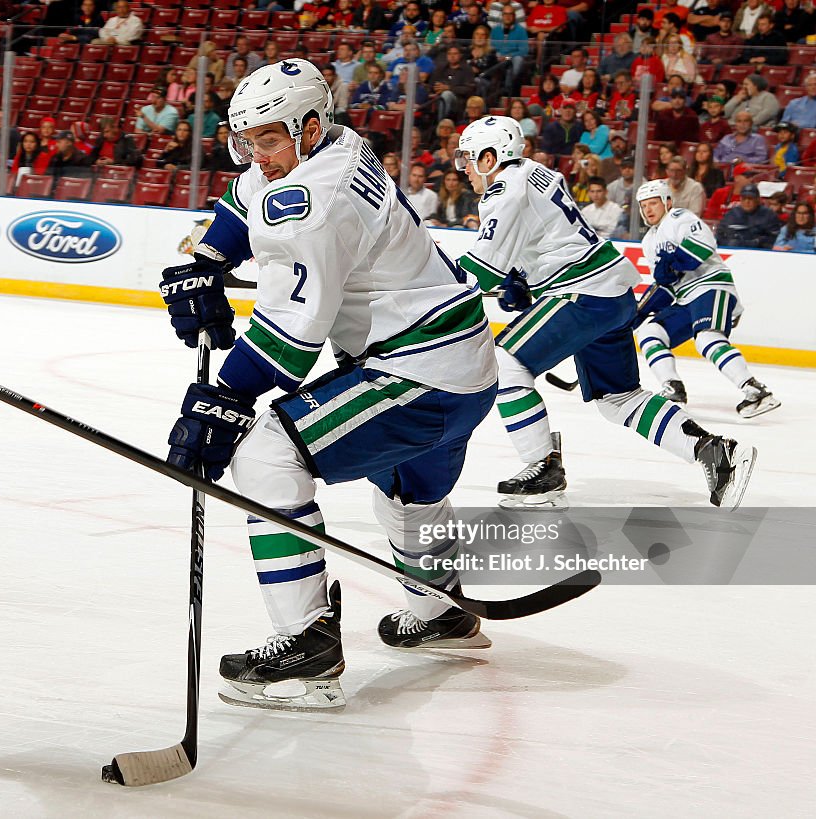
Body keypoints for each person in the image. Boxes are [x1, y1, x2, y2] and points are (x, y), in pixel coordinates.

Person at [157, 59, 499, 710]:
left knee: (263, 453)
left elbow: (290, 338)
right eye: (247, 141)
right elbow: (245, 198)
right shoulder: (340, 145)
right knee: (406, 495)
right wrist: (206, 261)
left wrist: (223, 400)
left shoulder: (311, 199)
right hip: (463, 362)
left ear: (309, 126)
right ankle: (439, 608)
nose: (258, 158)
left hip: (417, 373)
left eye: (269, 141)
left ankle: (305, 641)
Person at [455, 116, 754, 510]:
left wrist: (431, 289)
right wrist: (523, 280)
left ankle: (542, 463)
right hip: (609, 291)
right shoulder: (536, 174)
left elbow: (481, 267)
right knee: (618, 398)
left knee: (503, 362)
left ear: (490, 157)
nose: (463, 168)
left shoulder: (503, 188)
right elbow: (545, 240)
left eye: (468, 158)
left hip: (582, 292)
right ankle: (713, 452)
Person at [635, 179, 780, 417]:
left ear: (667, 202)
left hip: (711, 286)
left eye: (653, 203)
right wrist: (640, 310)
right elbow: (667, 285)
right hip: (685, 298)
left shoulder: (680, 218)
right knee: (650, 333)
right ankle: (673, 388)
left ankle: (756, 391)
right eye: (644, 205)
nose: (648, 210)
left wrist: (672, 265)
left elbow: (702, 248)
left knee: (706, 338)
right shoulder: (649, 241)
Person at [716, 183, 782, 248]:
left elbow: (773, 238)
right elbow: (720, 235)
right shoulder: (731, 214)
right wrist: (730, 243)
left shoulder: (769, 215)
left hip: (759, 252)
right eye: (744, 198)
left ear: (758, 199)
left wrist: (755, 242)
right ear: (740, 199)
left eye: (750, 198)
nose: (747, 201)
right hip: (732, 250)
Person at [581, 176, 623, 240]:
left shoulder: (616, 209)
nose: (595, 195)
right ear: (588, 193)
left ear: (606, 192)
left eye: (599, 191)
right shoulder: (585, 211)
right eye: (592, 191)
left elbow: (613, 232)